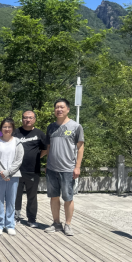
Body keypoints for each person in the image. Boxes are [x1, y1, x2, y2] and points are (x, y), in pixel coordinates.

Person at [45, 99, 85, 237]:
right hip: (52, 168)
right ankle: (56, 223)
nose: (59, 110)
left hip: (68, 168)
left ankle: (68, 224)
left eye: (62, 107)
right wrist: (46, 164)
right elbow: (49, 147)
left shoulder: (76, 126)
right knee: (54, 197)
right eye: (57, 107)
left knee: (68, 197)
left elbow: (80, 147)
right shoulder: (50, 127)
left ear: (68, 109)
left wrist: (77, 167)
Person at [14, 111, 48, 228]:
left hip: (33, 170)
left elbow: (45, 149)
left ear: (34, 119)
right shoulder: (16, 132)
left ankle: (31, 219)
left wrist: (37, 156)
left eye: (30, 117)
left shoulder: (39, 133)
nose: (28, 120)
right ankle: (16, 216)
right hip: (16, 170)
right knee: (16, 195)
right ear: (22, 119)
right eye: (25, 117)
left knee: (32, 196)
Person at [0, 118, 24, 236]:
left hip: (13, 175)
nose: (7, 129)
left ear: (13, 128)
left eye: (9, 127)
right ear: (1, 128)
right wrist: (2, 171)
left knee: (11, 200)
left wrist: (8, 172)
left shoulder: (17, 142)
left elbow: (19, 159)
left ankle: (10, 225)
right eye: (4, 127)